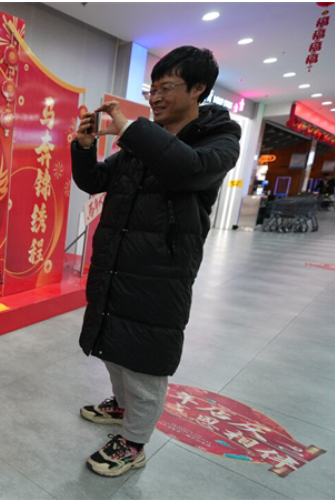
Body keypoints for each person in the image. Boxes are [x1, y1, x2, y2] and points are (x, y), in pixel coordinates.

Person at [70, 46, 241, 477]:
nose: (156, 97)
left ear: (198, 89)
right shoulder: (142, 142)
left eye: (167, 87)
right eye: (153, 89)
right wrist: (84, 146)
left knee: (145, 361)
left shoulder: (219, 139)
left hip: (161, 272)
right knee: (111, 344)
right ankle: (120, 405)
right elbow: (95, 180)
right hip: (116, 261)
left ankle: (134, 442)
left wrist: (131, 129)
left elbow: (187, 169)